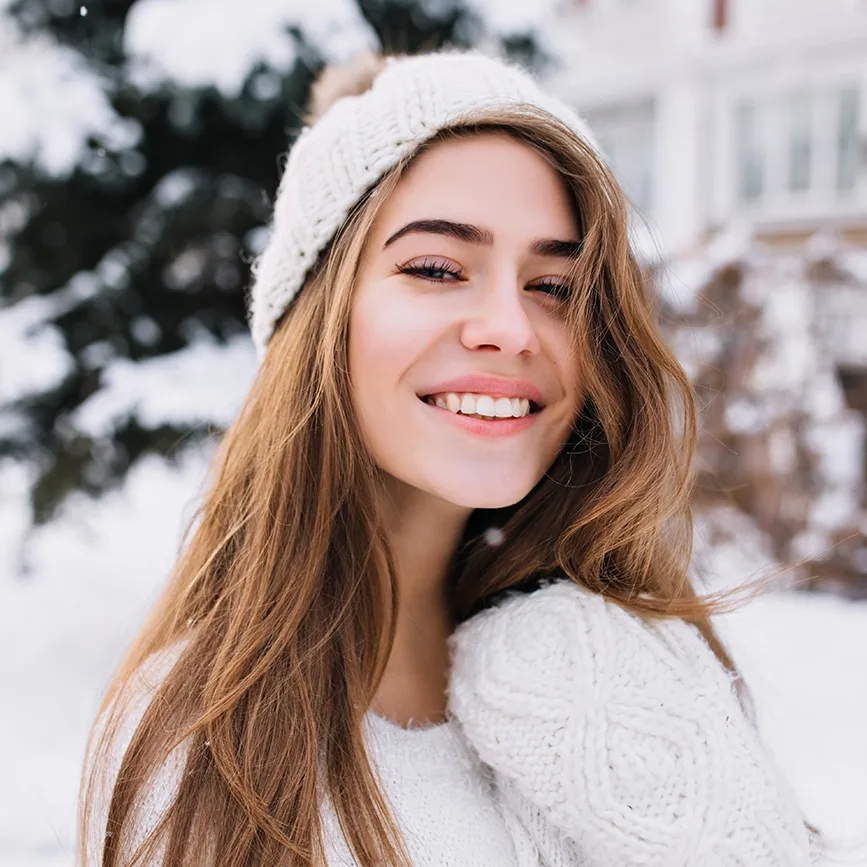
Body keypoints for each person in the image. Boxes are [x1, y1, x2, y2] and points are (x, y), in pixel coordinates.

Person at [76, 49, 818, 866]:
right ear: (321, 318)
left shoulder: (625, 661)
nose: (510, 325)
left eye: (556, 287)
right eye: (436, 268)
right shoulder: (204, 748)